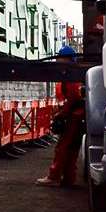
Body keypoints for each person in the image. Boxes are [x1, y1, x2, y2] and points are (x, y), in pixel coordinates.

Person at [36, 45, 86, 187]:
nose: (57, 60)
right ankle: (68, 178)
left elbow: (73, 98)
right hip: (76, 116)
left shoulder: (70, 76)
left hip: (72, 117)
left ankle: (54, 176)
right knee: (71, 149)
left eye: (60, 57)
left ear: (66, 59)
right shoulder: (72, 74)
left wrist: (61, 114)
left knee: (63, 147)